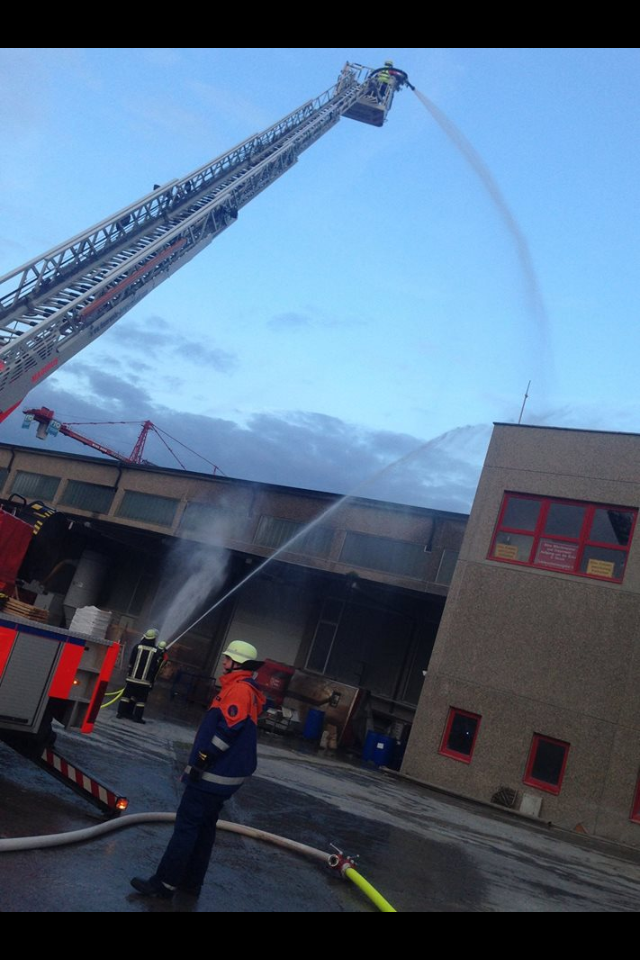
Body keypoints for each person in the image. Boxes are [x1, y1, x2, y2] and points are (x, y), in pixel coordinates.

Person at [130, 640, 266, 900]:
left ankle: (164, 883)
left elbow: (229, 730)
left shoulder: (238, 690)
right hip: (225, 775)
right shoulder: (241, 688)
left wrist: (204, 758)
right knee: (204, 828)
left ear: (239, 664)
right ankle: (190, 882)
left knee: (187, 826)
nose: (224, 663)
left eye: (228, 659)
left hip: (214, 774)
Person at [116, 628, 167, 724]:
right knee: (141, 701)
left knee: (126, 697)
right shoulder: (155, 651)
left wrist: (128, 674)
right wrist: (162, 651)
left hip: (132, 679)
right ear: (154, 639)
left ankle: (121, 713)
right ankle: (137, 718)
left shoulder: (137, 647)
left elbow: (131, 661)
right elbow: (157, 666)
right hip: (145, 682)